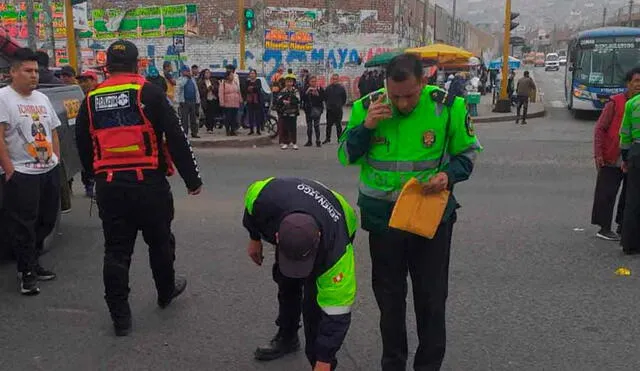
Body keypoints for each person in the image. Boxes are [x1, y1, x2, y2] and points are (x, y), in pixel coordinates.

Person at [338, 53, 482, 370]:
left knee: (431, 299)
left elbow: (468, 154)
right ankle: (393, 364)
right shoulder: (367, 106)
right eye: (396, 96)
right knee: (389, 301)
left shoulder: (448, 107)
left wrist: (448, 176)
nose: (402, 104)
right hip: (383, 220)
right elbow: (345, 156)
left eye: (410, 95)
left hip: (429, 218)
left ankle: (428, 366)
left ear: (424, 82)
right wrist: (366, 126)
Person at [75, 40, 203, 336]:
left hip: (109, 184)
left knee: (116, 251)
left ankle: (120, 318)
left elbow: (82, 141)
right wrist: (192, 180)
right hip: (148, 183)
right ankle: (165, 291)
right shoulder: (149, 92)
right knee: (159, 241)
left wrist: (92, 175)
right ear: (137, 65)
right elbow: (176, 137)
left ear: (107, 67)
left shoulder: (92, 98)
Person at [243, 177, 357, 370]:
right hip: (291, 207)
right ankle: (287, 337)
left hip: (340, 217)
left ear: (318, 240)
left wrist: (324, 359)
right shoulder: (263, 197)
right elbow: (251, 209)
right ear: (277, 236)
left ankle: (319, 359)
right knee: (286, 281)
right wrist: (254, 238)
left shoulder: (336, 251)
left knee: (314, 306)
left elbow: (337, 313)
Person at [0, 47, 62, 295]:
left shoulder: (42, 99)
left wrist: (56, 159)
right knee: (23, 224)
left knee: (46, 220)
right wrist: (9, 169)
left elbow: (53, 130)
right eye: (28, 71)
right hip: (22, 173)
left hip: (48, 169)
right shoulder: (4, 98)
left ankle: (33, 261)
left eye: (36, 71)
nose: (34, 75)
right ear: (13, 73)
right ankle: (26, 272)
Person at [592, 68, 640, 241]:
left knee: (629, 194)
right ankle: (604, 227)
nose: (638, 85)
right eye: (636, 81)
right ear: (628, 84)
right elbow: (600, 128)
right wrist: (598, 154)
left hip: (633, 156)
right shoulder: (615, 102)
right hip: (612, 154)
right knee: (607, 193)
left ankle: (622, 225)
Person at [619, 69, 640, 255]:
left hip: (636, 152)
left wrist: (625, 159)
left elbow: (624, 135)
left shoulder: (632, 104)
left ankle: (629, 243)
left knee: (633, 199)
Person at [76, 70, 100, 198]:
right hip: (86, 136)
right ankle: (89, 184)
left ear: (94, 81)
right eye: (80, 81)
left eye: (86, 81)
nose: (82, 84)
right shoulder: (78, 97)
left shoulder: (98, 97)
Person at [275, 74, 300, 150]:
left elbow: (298, 100)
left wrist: (290, 102)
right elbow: (278, 100)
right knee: (285, 127)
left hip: (293, 111)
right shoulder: (282, 91)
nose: (289, 83)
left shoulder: (295, 91)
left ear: (293, 83)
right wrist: (283, 101)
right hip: (285, 111)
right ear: (285, 83)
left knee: (293, 127)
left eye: (290, 82)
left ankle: (294, 143)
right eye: (287, 82)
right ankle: (286, 142)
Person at [176, 65, 201, 138]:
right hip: (184, 102)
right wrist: (186, 78)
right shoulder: (180, 79)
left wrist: (198, 100)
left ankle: (194, 132)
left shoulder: (192, 79)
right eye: (186, 71)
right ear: (182, 72)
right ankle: (185, 133)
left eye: (188, 71)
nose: (188, 72)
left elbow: (196, 90)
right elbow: (180, 86)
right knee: (184, 119)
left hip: (193, 101)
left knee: (194, 118)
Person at [323, 74, 347, 144]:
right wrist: (328, 104)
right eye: (333, 79)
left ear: (338, 80)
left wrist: (340, 104)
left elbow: (344, 98)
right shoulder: (328, 88)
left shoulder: (341, 88)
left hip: (338, 109)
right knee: (328, 125)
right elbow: (325, 97)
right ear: (331, 80)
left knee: (338, 125)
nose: (334, 80)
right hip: (330, 109)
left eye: (336, 79)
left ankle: (339, 138)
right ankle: (328, 138)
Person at [303, 76, 325, 147]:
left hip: (317, 109)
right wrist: (307, 92)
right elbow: (303, 98)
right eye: (312, 81)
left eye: (315, 81)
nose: (314, 83)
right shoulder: (306, 88)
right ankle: (309, 141)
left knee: (316, 125)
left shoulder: (319, 88)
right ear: (309, 82)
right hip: (308, 110)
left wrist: (317, 94)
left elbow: (323, 98)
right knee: (309, 126)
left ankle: (318, 140)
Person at [219, 70, 242, 136]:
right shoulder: (223, 84)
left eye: (233, 75)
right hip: (227, 104)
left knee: (234, 118)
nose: (232, 76)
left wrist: (240, 99)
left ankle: (233, 130)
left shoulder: (235, 83)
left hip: (235, 103)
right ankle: (227, 130)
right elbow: (221, 94)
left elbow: (238, 92)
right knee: (228, 118)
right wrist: (222, 103)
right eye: (231, 75)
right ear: (227, 76)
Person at [197, 69, 220, 134]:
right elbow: (200, 92)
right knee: (207, 114)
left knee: (212, 114)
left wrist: (213, 88)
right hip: (206, 100)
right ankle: (208, 127)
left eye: (209, 73)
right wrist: (207, 89)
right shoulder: (200, 82)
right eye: (206, 73)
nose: (207, 74)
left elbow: (218, 87)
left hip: (213, 98)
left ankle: (211, 127)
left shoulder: (213, 80)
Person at [244, 69, 264, 135]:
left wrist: (252, 88)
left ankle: (258, 130)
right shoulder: (247, 81)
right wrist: (252, 88)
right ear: (249, 75)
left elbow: (258, 88)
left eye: (253, 73)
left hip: (257, 101)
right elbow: (245, 89)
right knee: (250, 116)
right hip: (250, 101)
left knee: (258, 116)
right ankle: (251, 130)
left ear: (255, 74)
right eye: (251, 73)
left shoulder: (258, 80)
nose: (252, 74)